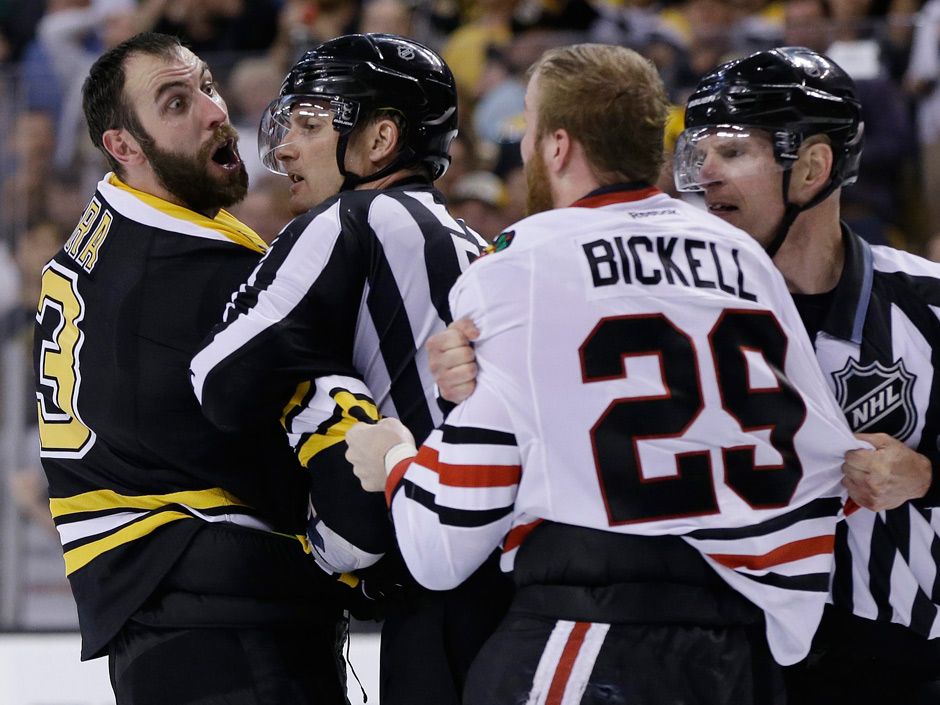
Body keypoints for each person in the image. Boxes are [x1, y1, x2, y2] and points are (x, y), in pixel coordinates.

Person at [343, 42, 864, 705]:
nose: (526, 145)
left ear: (558, 147)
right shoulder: (742, 253)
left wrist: (393, 458)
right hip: (742, 651)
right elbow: (825, 464)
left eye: (530, 128)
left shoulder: (518, 265)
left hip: (592, 633)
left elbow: (442, 545)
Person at [189, 33, 505, 705]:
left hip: (442, 591)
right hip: (519, 591)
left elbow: (220, 379)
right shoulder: (470, 238)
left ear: (380, 137)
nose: (283, 149)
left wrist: (321, 392)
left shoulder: (351, 219)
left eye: (309, 124)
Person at [34, 32, 347, 705]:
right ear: (125, 147)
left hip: (158, 619)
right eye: (176, 103)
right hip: (229, 639)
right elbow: (302, 482)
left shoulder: (102, 240)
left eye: (205, 84)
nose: (213, 110)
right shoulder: (195, 280)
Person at [675, 46, 940, 705]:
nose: (705, 173)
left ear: (815, 166)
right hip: (723, 659)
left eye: (732, 152)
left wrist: (925, 472)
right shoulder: (673, 313)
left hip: (899, 663)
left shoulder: (929, 304)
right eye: (698, 152)